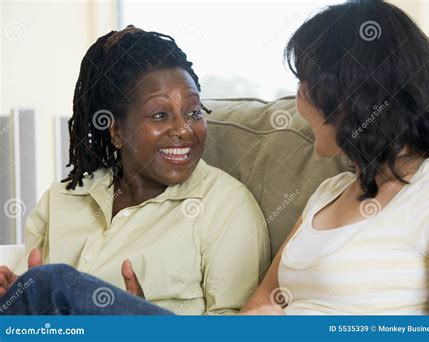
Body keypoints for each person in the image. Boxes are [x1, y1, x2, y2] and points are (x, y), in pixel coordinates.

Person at [0, 26, 270, 315]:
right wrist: (16, 295)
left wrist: (141, 317)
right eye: (160, 115)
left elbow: (242, 327)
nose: (184, 129)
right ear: (116, 131)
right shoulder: (62, 199)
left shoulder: (225, 205)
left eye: (193, 113)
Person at [241, 0, 429, 315]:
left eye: (304, 83)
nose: (298, 100)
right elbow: (261, 301)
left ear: (349, 95)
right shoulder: (329, 192)